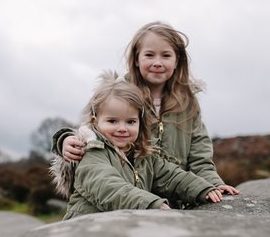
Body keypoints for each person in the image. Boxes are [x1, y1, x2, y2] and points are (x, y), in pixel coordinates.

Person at [54, 22, 240, 207]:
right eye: (149, 55)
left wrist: (211, 184)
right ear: (136, 59)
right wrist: (65, 140)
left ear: (177, 61)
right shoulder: (117, 94)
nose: (157, 62)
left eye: (166, 55)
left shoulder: (187, 103)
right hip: (125, 195)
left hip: (173, 198)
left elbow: (200, 153)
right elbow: (90, 132)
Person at [55, 71, 237, 220]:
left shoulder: (143, 155)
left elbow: (173, 176)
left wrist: (203, 189)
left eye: (130, 122)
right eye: (112, 121)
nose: (122, 129)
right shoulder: (92, 152)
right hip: (86, 230)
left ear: (140, 123)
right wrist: (152, 205)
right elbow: (108, 187)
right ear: (95, 121)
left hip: (122, 226)